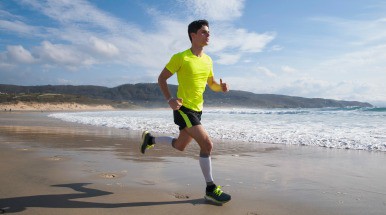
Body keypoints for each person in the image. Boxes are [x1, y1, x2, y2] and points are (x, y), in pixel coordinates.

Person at [140, 20, 231, 204]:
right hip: (183, 108)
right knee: (207, 145)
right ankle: (210, 188)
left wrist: (220, 88)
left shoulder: (208, 60)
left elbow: (210, 83)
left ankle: (150, 139)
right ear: (193, 35)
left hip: (198, 110)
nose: (208, 35)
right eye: (204, 32)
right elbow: (162, 78)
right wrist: (170, 100)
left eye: (208, 32)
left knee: (180, 146)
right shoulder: (181, 57)